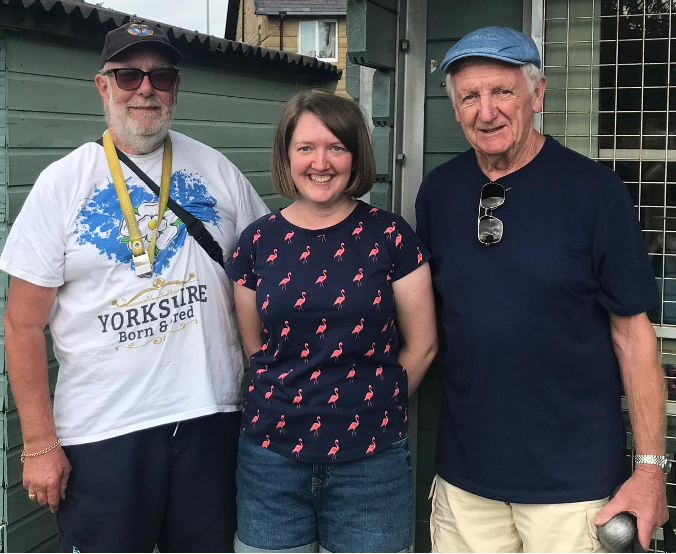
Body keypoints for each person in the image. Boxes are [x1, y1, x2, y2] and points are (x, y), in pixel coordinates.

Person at [0, 20, 268, 553]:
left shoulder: (217, 169)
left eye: (160, 76)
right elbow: (22, 323)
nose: (145, 89)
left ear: (176, 88)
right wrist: (38, 443)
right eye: (128, 76)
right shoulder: (62, 184)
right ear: (103, 86)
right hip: (103, 433)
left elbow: (268, 274)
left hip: (210, 417)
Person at [415, 26, 668, 553]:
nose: (486, 111)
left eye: (502, 92)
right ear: (455, 109)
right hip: (466, 481)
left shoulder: (596, 193)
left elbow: (633, 335)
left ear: (537, 94)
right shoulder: (439, 192)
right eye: (470, 96)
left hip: (573, 488)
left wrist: (649, 471)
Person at [226, 89, 438, 553]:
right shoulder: (257, 242)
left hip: (371, 462)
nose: (320, 163)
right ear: (286, 155)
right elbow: (255, 346)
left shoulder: (391, 236)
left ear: (355, 155)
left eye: (336, 147)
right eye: (306, 147)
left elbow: (422, 345)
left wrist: (374, 403)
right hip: (271, 458)